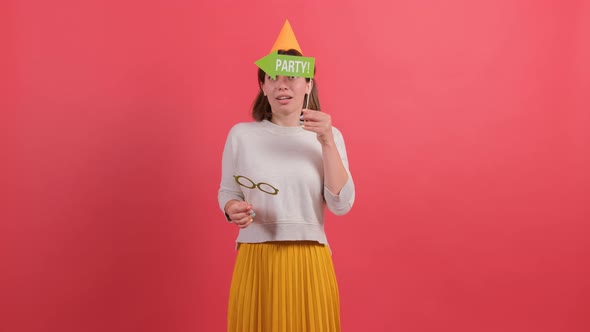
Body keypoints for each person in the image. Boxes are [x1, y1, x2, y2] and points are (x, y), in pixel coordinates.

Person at [218, 47, 355, 332]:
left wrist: (326, 140)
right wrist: (232, 210)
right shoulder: (241, 135)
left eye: (292, 76)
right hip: (256, 259)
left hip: (309, 259)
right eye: (272, 77)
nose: (282, 83)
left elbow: (341, 204)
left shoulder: (329, 137)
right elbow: (228, 193)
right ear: (263, 87)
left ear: (308, 84)